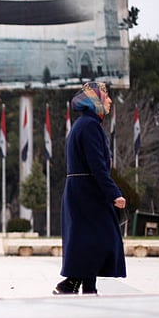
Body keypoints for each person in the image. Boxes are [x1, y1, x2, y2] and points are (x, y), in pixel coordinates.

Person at [55, 81, 127, 295]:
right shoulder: (90, 126)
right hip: (88, 193)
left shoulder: (84, 124)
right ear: (95, 101)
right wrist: (114, 193)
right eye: (105, 97)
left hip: (82, 191)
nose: (110, 100)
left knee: (89, 240)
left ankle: (84, 286)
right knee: (102, 239)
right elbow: (96, 165)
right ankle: (73, 283)